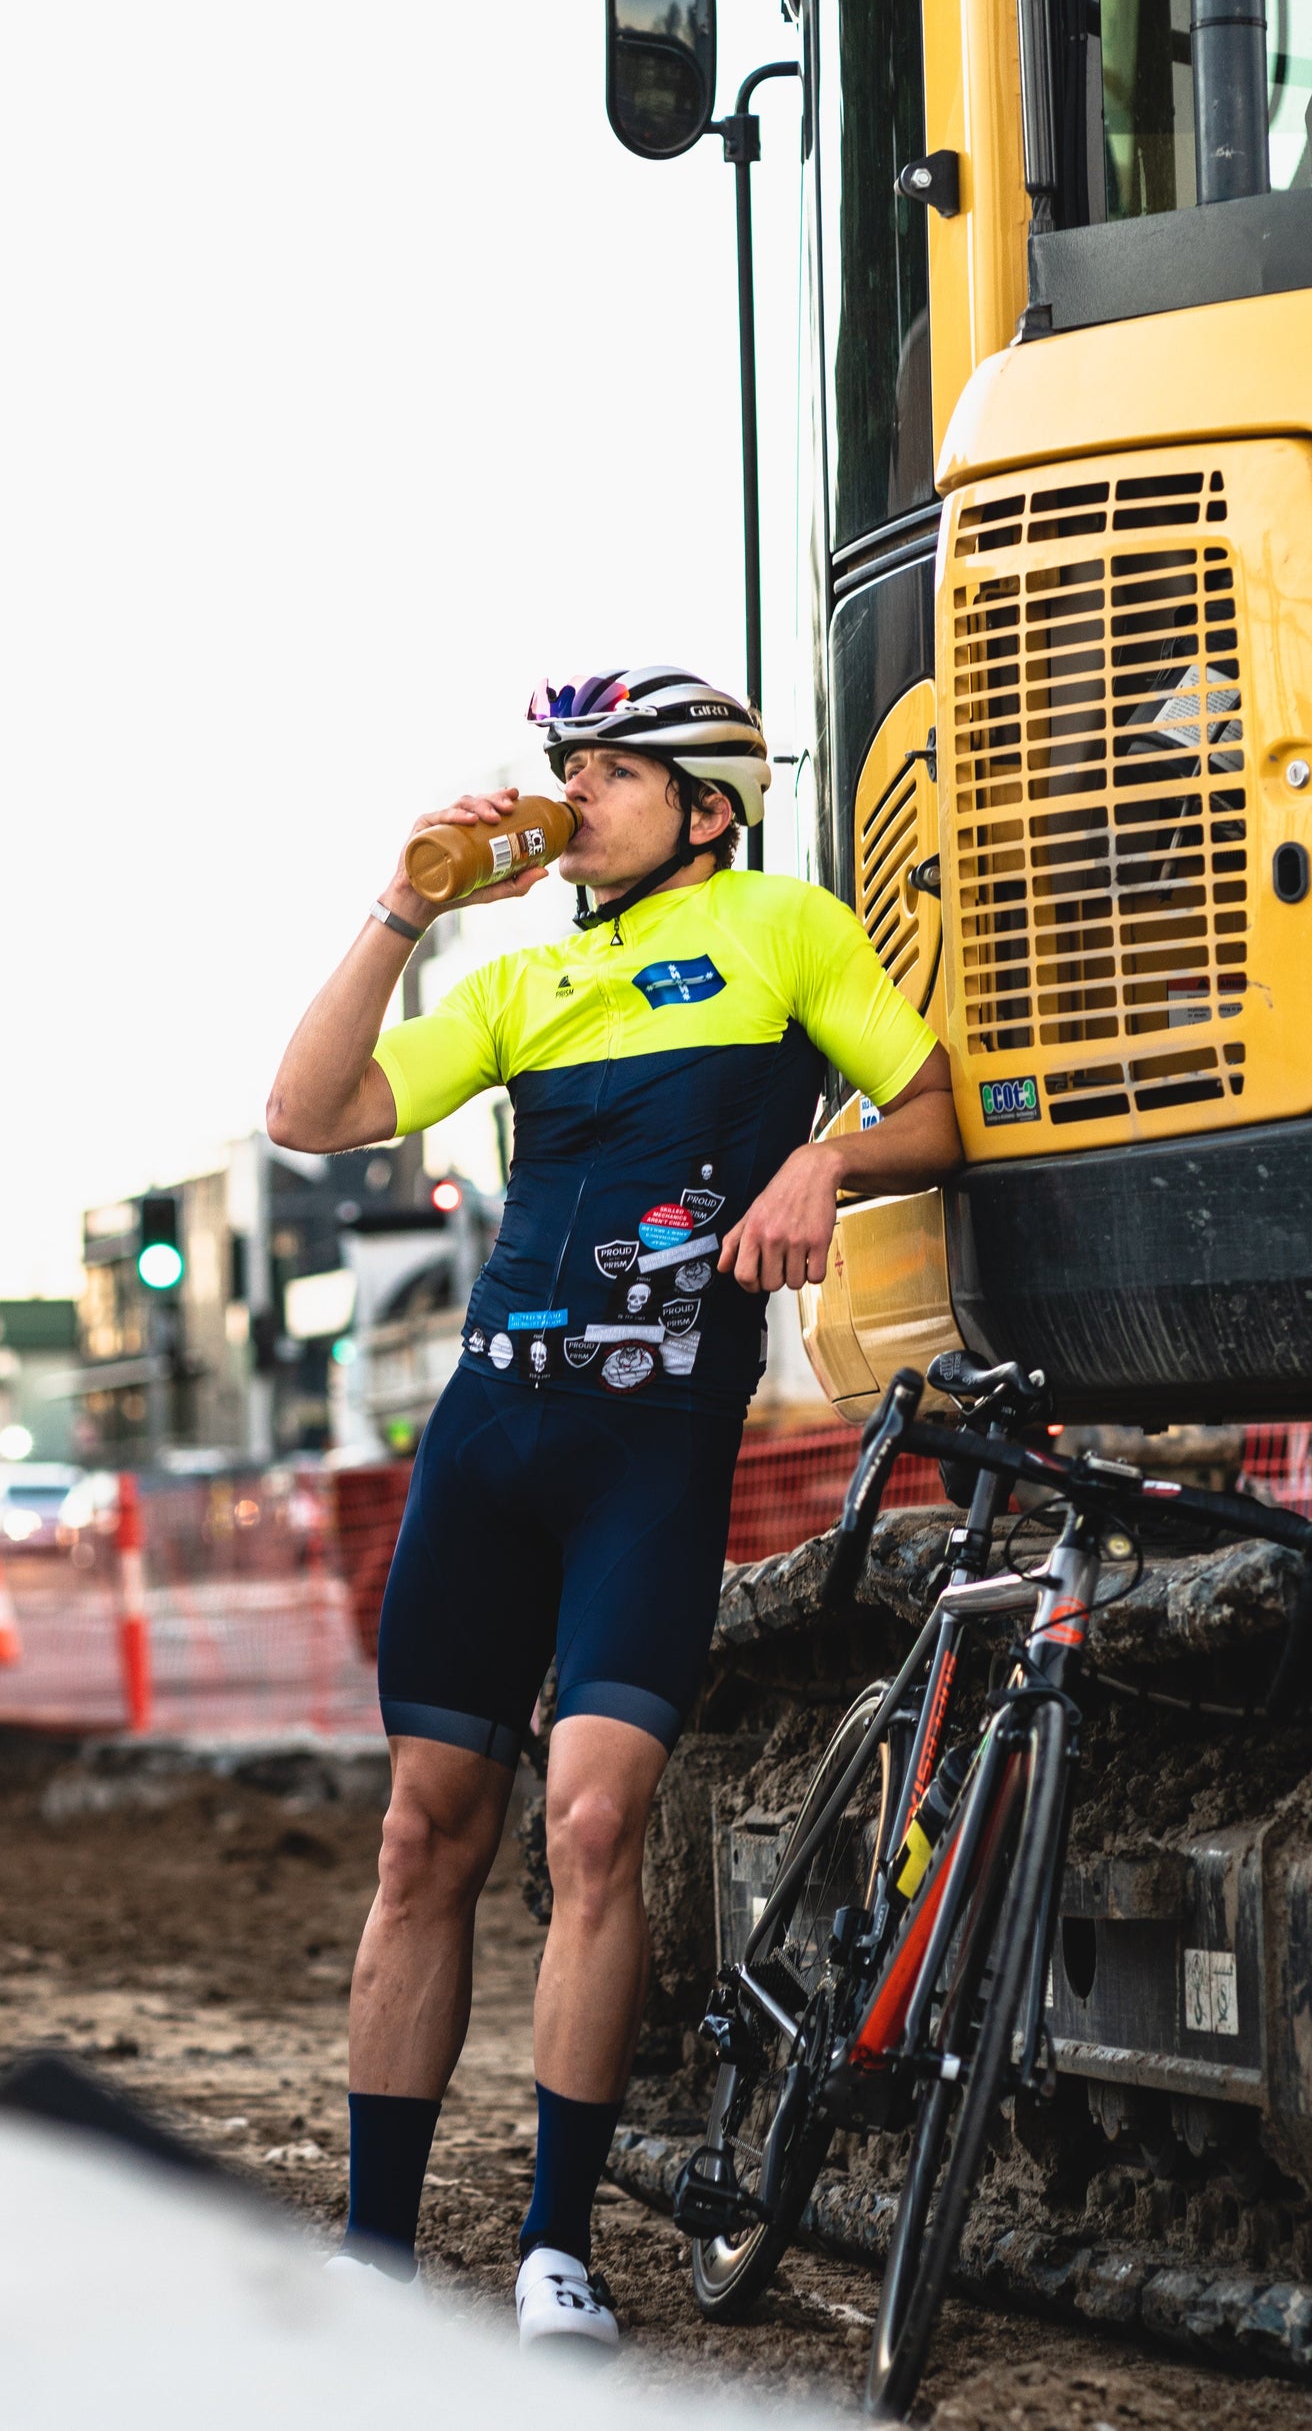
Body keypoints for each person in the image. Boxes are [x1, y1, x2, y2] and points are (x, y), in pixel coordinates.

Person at [266, 667, 962, 2351]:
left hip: (650, 1456)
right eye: (561, 767)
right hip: (494, 1438)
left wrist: (828, 1160)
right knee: (425, 1834)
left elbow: (941, 1109)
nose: (569, 794)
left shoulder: (786, 930)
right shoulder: (525, 974)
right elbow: (306, 1115)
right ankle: (376, 2249)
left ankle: (555, 2251)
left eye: (608, 772)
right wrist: (400, 907)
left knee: (591, 1822)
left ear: (706, 808)